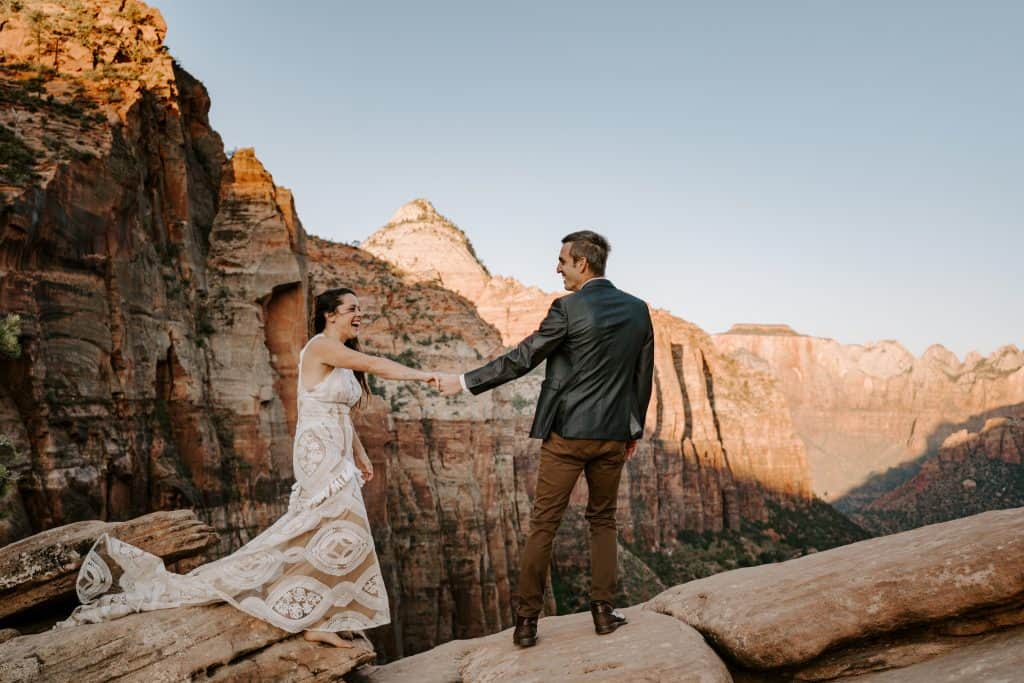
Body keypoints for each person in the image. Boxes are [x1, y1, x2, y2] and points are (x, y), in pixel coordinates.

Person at [59, 287, 437, 649]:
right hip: (318, 452)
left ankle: (318, 617)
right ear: (329, 314)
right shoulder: (321, 347)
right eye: (352, 309)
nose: (360, 315)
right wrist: (427, 376)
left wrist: (360, 453)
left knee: (328, 531)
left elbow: (339, 409)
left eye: (360, 310)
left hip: (337, 451)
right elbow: (373, 365)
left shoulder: (338, 351)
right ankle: (314, 617)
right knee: (336, 529)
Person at [438, 230, 655, 647]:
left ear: (582, 264)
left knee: (543, 524)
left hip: (567, 435)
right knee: (603, 520)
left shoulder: (568, 309)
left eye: (562, 260)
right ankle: (604, 613)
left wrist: (466, 381)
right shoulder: (638, 311)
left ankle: (526, 623)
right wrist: (634, 430)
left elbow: (524, 357)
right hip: (612, 435)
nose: (557, 267)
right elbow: (642, 378)